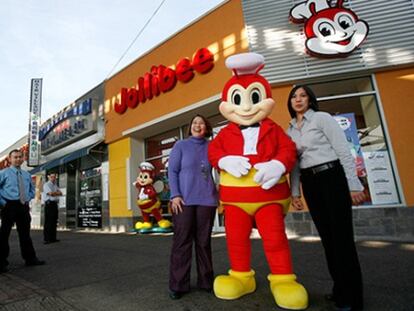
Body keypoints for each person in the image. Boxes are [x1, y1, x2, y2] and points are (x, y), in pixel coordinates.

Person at [286, 85, 365, 311]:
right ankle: (340, 290)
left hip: (332, 177)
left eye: (303, 96)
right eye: (294, 97)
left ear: (310, 100)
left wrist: (353, 183)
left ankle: (354, 298)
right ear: (290, 103)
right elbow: (294, 167)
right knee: (328, 240)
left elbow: (343, 151)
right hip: (311, 183)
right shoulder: (290, 130)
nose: (298, 99)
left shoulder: (322, 118)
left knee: (342, 240)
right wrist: (295, 193)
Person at [168, 114, 218, 300]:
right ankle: (178, 285)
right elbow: (172, 171)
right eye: (195, 123)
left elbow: (221, 167)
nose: (198, 125)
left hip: (207, 200)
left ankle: (206, 282)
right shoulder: (180, 146)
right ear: (190, 127)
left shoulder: (211, 146)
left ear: (206, 128)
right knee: (182, 242)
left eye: (202, 123)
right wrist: (175, 195)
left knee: (204, 243)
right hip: (184, 201)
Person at [0, 149, 45, 273]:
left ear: (23, 158)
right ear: (10, 159)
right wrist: (3, 202)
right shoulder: (3, 173)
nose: (18, 159)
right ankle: (1, 263)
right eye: (15, 157)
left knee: (25, 234)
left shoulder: (26, 174)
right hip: (8, 205)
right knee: (4, 234)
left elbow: (31, 189)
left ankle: (30, 259)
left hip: (23, 206)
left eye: (20, 157)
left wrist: (28, 198)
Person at [42, 173, 62, 244]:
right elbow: (50, 193)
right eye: (52, 177)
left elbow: (61, 193)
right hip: (49, 204)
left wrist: (55, 193)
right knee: (48, 222)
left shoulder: (55, 185)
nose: (53, 178)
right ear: (49, 177)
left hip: (54, 204)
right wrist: (56, 193)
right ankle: (47, 239)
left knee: (54, 221)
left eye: (54, 177)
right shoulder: (46, 185)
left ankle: (53, 238)